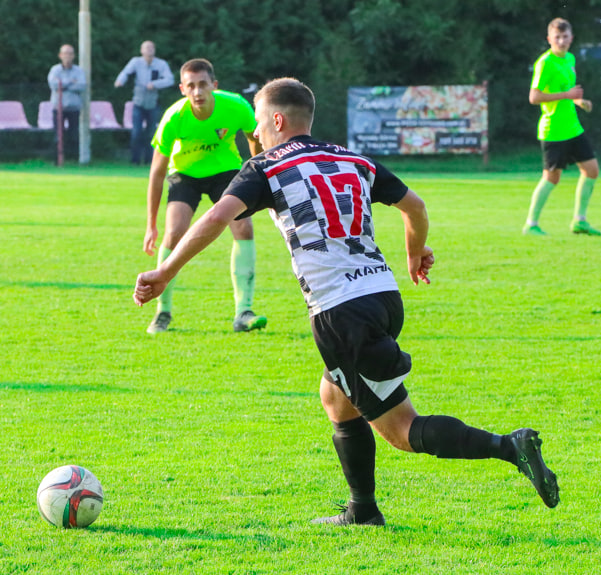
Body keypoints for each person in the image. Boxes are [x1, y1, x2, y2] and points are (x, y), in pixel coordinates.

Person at [134, 77, 560, 525]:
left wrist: (165, 272)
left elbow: (219, 216)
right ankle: (362, 509)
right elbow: (415, 207)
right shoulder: (351, 157)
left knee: (400, 429)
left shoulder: (265, 167)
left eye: (258, 123)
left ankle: (510, 446)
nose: (255, 135)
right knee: (336, 398)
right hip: (383, 295)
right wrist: (415, 251)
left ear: (277, 119)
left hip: (341, 311)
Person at [143, 58, 266, 334]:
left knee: (244, 227)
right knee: (174, 234)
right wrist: (151, 224)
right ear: (182, 89)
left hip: (225, 172)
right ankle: (162, 312)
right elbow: (157, 172)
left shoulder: (236, 106)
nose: (198, 92)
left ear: (214, 85)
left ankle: (243, 311)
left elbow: (254, 139)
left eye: (203, 85)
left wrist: (260, 180)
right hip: (185, 174)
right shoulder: (174, 117)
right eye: (191, 86)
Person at [524, 17, 601, 236]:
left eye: (565, 36)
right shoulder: (545, 63)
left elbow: (568, 93)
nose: (561, 41)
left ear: (571, 38)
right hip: (553, 130)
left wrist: (578, 102)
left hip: (572, 127)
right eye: (557, 37)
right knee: (551, 177)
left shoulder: (570, 58)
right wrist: (568, 95)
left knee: (592, 170)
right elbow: (534, 96)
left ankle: (580, 221)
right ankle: (531, 224)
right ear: (549, 39)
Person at [114, 40, 174, 165]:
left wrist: (155, 84)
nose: (149, 50)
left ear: (154, 50)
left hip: (153, 103)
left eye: (151, 47)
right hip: (138, 103)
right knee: (136, 132)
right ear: (141, 50)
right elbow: (125, 72)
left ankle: (149, 160)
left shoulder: (161, 64)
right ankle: (135, 160)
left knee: (152, 133)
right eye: (146, 48)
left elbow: (170, 80)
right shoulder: (136, 62)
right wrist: (120, 81)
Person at [47, 44, 86, 163]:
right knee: (58, 135)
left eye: (70, 53)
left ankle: (73, 159)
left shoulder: (79, 71)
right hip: (58, 108)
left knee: (74, 134)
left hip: (73, 107)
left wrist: (62, 85)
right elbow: (54, 85)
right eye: (65, 53)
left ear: (74, 56)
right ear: (60, 55)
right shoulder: (55, 70)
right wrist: (70, 82)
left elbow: (82, 85)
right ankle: (57, 160)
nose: (67, 56)